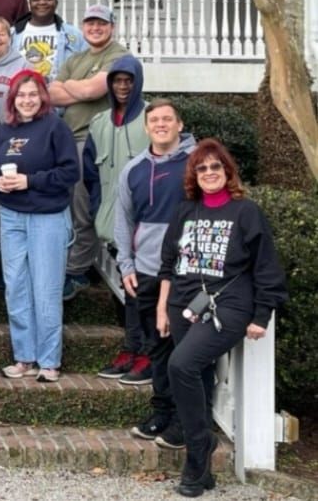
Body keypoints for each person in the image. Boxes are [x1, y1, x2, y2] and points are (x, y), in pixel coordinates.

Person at [157, 139, 288, 497]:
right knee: (195, 373)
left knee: (181, 366)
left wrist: (262, 314)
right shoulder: (186, 210)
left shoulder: (246, 212)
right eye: (202, 168)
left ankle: (198, 451)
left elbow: (266, 267)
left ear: (227, 171)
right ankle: (203, 472)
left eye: (216, 167)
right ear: (194, 175)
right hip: (184, 303)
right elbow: (168, 262)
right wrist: (162, 307)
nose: (209, 173)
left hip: (228, 305)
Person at [114, 99, 195, 451]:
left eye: (167, 119)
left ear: (180, 124)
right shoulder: (133, 169)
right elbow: (124, 221)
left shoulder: (197, 165)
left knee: (185, 350)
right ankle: (161, 412)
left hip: (188, 274)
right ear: (146, 127)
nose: (161, 124)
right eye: (154, 120)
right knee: (158, 349)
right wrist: (126, 264)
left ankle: (185, 420)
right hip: (146, 270)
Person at [0, 70, 79, 383]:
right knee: (15, 286)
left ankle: (49, 361)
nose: (27, 100)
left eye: (33, 94)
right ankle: (23, 356)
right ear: (12, 99)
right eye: (21, 95)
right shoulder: (4, 131)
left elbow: (70, 173)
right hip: (12, 217)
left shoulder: (56, 127)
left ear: (42, 97)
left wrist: (30, 181)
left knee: (46, 288)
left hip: (47, 217)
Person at [49, 4, 129, 301]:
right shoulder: (76, 58)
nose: (95, 28)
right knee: (67, 205)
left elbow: (92, 92)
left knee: (83, 206)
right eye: (90, 23)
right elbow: (51, 94)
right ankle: (70, 262)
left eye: (102, 23)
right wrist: (77, 88)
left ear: (112, 26)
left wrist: (72, 87)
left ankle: (78, 271)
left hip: (95, 140)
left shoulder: (118, 55)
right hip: (67, 138)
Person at [83, 57, 151, 383]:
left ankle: (146, 354)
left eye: (128, 80)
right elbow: (90, 175)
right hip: (110, 225)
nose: (122, 87)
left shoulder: (151, 119)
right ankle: (131, 348)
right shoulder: (99, 124)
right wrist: (98, 208)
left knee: (141, 292)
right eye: (116, 81)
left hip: (144, 225)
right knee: (123, 294)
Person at [12, 0, 86, 82]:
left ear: (56, 3)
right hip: (22, 95)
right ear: (30, 3)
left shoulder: (74, 34)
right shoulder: (12, 34)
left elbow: (86, 64)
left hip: (59, 93)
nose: (42, 2)